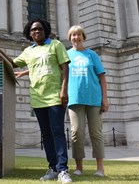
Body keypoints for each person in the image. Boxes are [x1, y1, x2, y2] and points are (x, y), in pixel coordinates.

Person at [12, 19, 72, 184]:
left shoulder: (56, 45)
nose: (36, 31)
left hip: (55, 96)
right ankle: (53, 168)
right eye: (33, 30)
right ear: (29, 33)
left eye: (39, 29)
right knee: (46, 134)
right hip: (37, 97)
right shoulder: (28, 51)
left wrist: (63, 90)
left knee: (58, 132)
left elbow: (65, 68)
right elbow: (11, 63)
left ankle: (63, 170)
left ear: (45, 30)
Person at [66, 25, 109, 177]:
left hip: (94, 99)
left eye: (78, 35)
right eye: (73, 35)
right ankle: (79, 168)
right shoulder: (66, 55)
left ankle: (100, 169)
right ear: (70, 38)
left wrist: (105, 98)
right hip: (75, 99)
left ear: (83, 37)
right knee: (76, 132)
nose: (76, 38)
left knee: (96, 133)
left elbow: (102, 78)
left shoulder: (92, 55)